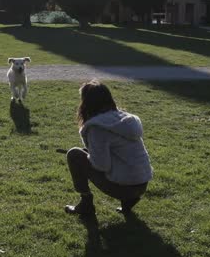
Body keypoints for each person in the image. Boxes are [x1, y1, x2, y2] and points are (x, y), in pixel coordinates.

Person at [65, 80, 153, 215]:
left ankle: (86, 204)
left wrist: (88, 156)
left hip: (125, 187)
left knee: (74, 154)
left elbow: (102, 166)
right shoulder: (123, 119)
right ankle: (128, 203)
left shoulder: (97, 127)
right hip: (142, 183)